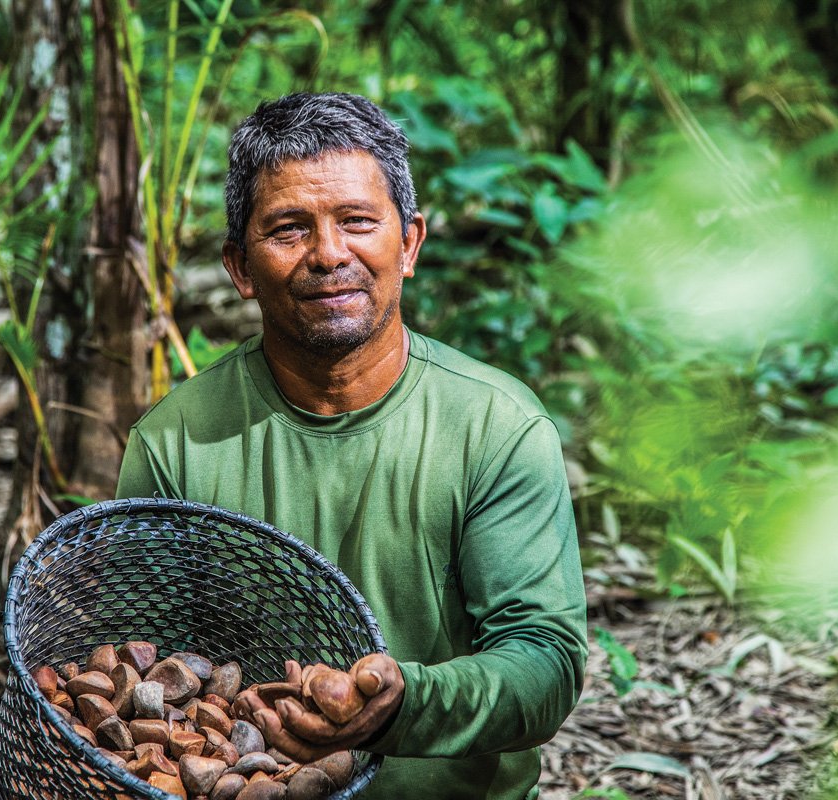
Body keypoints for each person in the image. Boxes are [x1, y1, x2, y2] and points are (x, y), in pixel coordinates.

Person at [115, 92, 587, 800]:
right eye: (288, 229)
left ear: (411, 244)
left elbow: (545, 667)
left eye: (358, 221)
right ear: (240, 267)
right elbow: (139, 683)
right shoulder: (176, 443)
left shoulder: (496, 427)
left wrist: (401, 706)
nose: (329, 254)